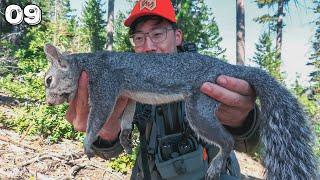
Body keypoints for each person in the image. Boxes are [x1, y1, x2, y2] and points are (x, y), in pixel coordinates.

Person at [66, 0, 260, 179]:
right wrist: (106, 135)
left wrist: (243, 121)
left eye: (157, 34)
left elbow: (251, 142)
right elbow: (110, 151)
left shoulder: (207, 72)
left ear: (177, 37)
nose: (149, 46)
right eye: (139, 38)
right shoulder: (125, 80)